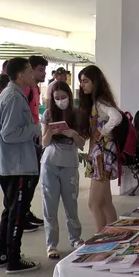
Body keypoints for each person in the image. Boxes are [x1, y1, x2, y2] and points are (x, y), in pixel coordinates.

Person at [0, 57, 41, 273]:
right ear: (21, 75)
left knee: (10, 210)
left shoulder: (12, 94)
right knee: (17, 214)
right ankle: (13, 258)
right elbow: (8, 133)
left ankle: (3, 253)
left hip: (11, 165)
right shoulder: (13, 97)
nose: (34, 75)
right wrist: (34, 129)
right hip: (17, 166)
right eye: (30, 71)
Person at [41, 81, 85, 259]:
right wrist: (50, 132)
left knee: (71, 205)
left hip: (70, 165)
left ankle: (75, 239)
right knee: (49, 207)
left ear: (70, 96)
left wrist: (72, 134)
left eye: (63, 97)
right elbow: (43, 143)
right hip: (49, 164)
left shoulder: (77, 114)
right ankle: (51, 244)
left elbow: (82, 144)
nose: (60, 101)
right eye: (57, 98)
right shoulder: (48, 114)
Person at [77, 65, 122, 232]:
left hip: (102, 155)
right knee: (104, 201)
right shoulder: (99, 101)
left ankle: (101, 240)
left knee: (94, 203)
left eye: (86, 81)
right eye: (81, 81)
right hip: (103, 154)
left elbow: (116, 117)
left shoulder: (100, 102)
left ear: (95, 82)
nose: (83, 85)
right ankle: (114, 237)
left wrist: (102, 131)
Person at [22, 55, 48, 232]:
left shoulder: (35, 89)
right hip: (27, 141)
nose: (43, 73)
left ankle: (25, 211)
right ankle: (21, 215)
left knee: (33, 178)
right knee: (27, 180)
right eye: (40, 70)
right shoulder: (25, 90)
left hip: (34, 139)